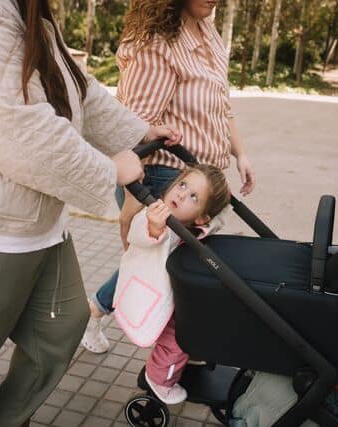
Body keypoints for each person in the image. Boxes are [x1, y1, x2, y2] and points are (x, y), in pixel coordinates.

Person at [0, 0, 179, 425]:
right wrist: (109, 169)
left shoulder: (20, 8)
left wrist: (137, 132)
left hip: (24, 221)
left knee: (59, 329)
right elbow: (15, 124)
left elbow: (74, 87)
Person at [82, 0, 256, 354]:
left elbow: (222, 105)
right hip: (165, 179)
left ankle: (102, 316)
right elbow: (130, 127)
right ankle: (160, 348)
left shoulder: (206, 31)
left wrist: (240, 152)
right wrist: (132, 204)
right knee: (156, 268)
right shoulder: (158, 45)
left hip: (202, 180)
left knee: (171, 268)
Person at [113, 165, 230, 404]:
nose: (181, 194)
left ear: (202, 216)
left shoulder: (191, 224)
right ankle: (158, 379)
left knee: (193, 325)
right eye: (182, 185)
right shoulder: (154, 216)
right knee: (175, 340)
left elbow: (214, 223)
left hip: (176, 295)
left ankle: (190, 352)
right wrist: (154, 229)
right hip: (154, 296)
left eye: (193, 196)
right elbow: (137, 235)